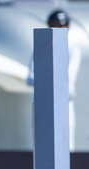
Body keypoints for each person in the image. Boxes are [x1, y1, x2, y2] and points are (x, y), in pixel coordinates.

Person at [27, 9, 86, 150]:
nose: (58, 29)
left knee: (65, 145)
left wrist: (57, 88)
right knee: (41, 144)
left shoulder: (73, 47)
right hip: (43, 102)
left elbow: (69, 82)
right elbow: (30, 77)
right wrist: (47, 84)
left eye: (62, 26)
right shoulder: (41, 47)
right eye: (55, 25)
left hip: (64, 103)